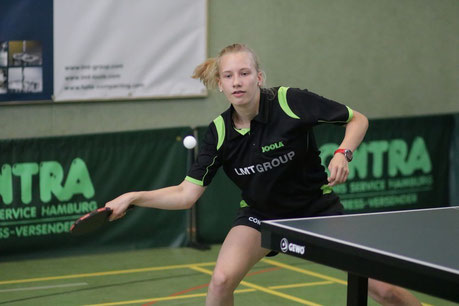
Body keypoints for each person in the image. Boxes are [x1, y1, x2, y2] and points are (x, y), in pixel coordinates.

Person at [106, 43, 421, 306]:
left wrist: (343, 153)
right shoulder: (219, 133)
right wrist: (134, 197)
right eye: (228, 76)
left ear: (258, 77)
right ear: (220, 84)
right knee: (220, 282)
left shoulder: (290, 102)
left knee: (385, 290)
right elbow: (186, 194)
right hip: (261, 216)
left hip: (317, 210)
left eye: (244, 73)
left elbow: (358, 120)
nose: (237, 81)